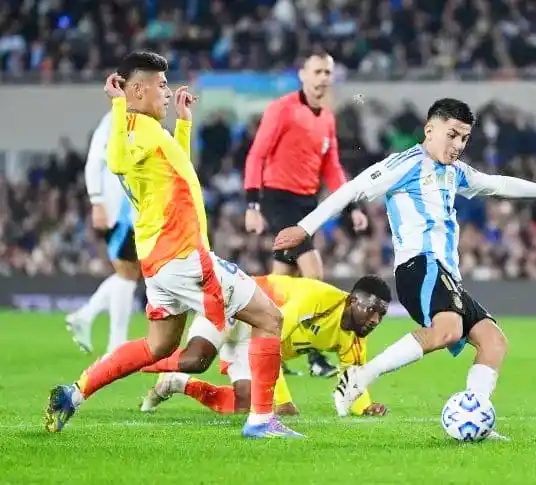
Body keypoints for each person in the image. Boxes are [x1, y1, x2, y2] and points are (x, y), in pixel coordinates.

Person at [273, 98, 536, 438]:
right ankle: (361, 375)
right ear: (430, 130)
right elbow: (353, 188)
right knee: (447, 330)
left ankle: (473, 417)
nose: (458, 145)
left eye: (464, 138)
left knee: (493, 342)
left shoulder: (456, 172)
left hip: (447, 275)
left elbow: (497, 184)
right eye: (452, 135)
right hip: (419, 266)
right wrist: (305, 228)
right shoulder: (407, 164)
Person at [44, 51, 300, 440]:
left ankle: (74, 394)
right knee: (270, 318)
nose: (167, 91)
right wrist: (117, 105)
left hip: (160, 261)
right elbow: (116, 162)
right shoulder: (130, 126)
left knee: (158, 345)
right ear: (137, 89)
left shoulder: (149, 131)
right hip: (184, 256)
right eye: (160, 85)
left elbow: (177, 171)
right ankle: (262, 421)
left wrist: (183, 126)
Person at [244, 49, 367, 378]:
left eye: (328, 73)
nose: (323, 78)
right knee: (313, 275)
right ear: (303, 75)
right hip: (278, 198)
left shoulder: (326, 117)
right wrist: (252, 205)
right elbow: (257, 155)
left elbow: (332, 166)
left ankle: (269, 351)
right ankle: (314, 357)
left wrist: (351, 206)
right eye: (317, 72)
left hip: (306, 204)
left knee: (283, 283)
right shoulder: (282, 109)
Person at [138, 275, 390, 417]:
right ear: (353, 300)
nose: (375, 320)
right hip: (231, 308)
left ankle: (176, 383)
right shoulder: (317, 299)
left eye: (381, 315)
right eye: (371, 311)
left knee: (244, 405)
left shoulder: (355, 338)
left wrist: (365, 408)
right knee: (196, 360)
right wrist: (283, 401)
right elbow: (271, 339)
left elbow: (353, 379)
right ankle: (136, 363)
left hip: (253, 339)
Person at [65, 110, 140, 356]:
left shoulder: (142, 119)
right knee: (128, 273)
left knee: (130, 272)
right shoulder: (113, 120)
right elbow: (94, 160)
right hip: (119, 210)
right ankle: (115, 344)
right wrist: (96, 200)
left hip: (132, 209)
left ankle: (85, 317)